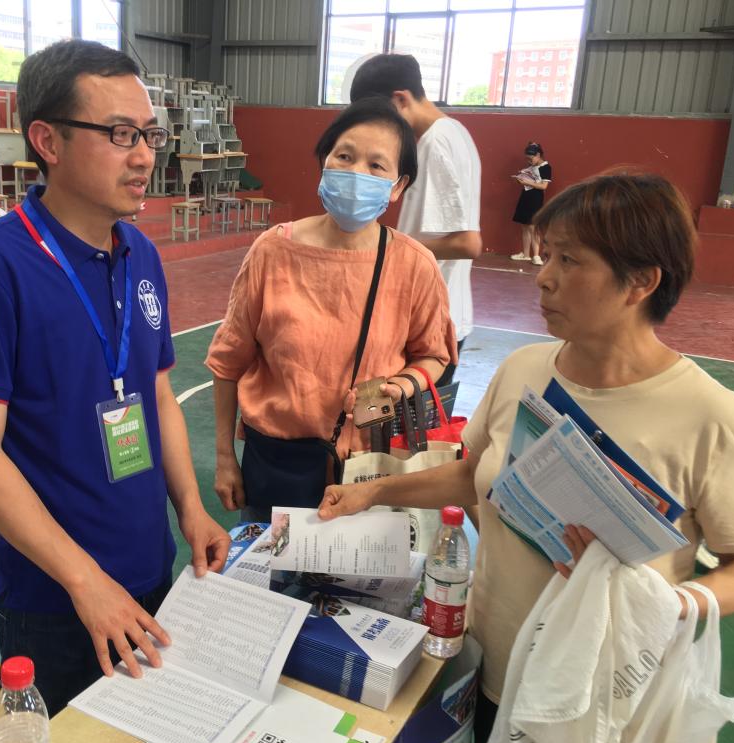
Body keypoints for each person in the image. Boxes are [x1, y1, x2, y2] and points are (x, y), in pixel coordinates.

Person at [318, 171, 734, 743]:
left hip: (603, 697)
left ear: (642, 281)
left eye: (570, 260)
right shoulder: (524, 369)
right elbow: (474, 476)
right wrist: (375, 492)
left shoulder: (711, 418)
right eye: (548, 253)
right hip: (494, 664)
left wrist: (673, 604)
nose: (544, 275)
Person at [0, 40, 230, 716]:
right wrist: (85, 582)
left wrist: (190, 508)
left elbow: (156, 395)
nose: (145, 155)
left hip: (151, 573)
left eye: (149, 134)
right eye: (121, 134)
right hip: (57, 602)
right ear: (48, 141)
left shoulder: (140, 253)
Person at [205, 97, 458, 522]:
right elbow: (227, 362)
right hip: (277, 465)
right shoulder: (272, 252)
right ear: (324, 162)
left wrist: (403, 385)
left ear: (398, 186)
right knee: (272, 563)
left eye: (376, 165)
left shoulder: (414, 264)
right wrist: (224, 458)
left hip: (369, 471)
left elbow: (434, 354)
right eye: (345, 156)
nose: (357, 173)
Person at [349, 53, 481, 388]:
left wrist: (388, 246)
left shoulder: (437, 142)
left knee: (400, 421)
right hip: (437, 318)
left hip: (429, 325)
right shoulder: (453, 133)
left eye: (380, 117)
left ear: (400, 100)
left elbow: (467, 243)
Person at [510, 141, 551, 266]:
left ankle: (536, 256)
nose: (529, 161)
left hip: (535, 198)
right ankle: (526, 255)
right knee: (524, 226)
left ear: (538, 155)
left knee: (533, 227)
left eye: (530, 158)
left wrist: (526, 182)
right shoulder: (530, 168)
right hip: (525, 196)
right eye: (527, 159)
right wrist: (520, 179)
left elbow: (543, 186)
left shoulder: (546, 167)